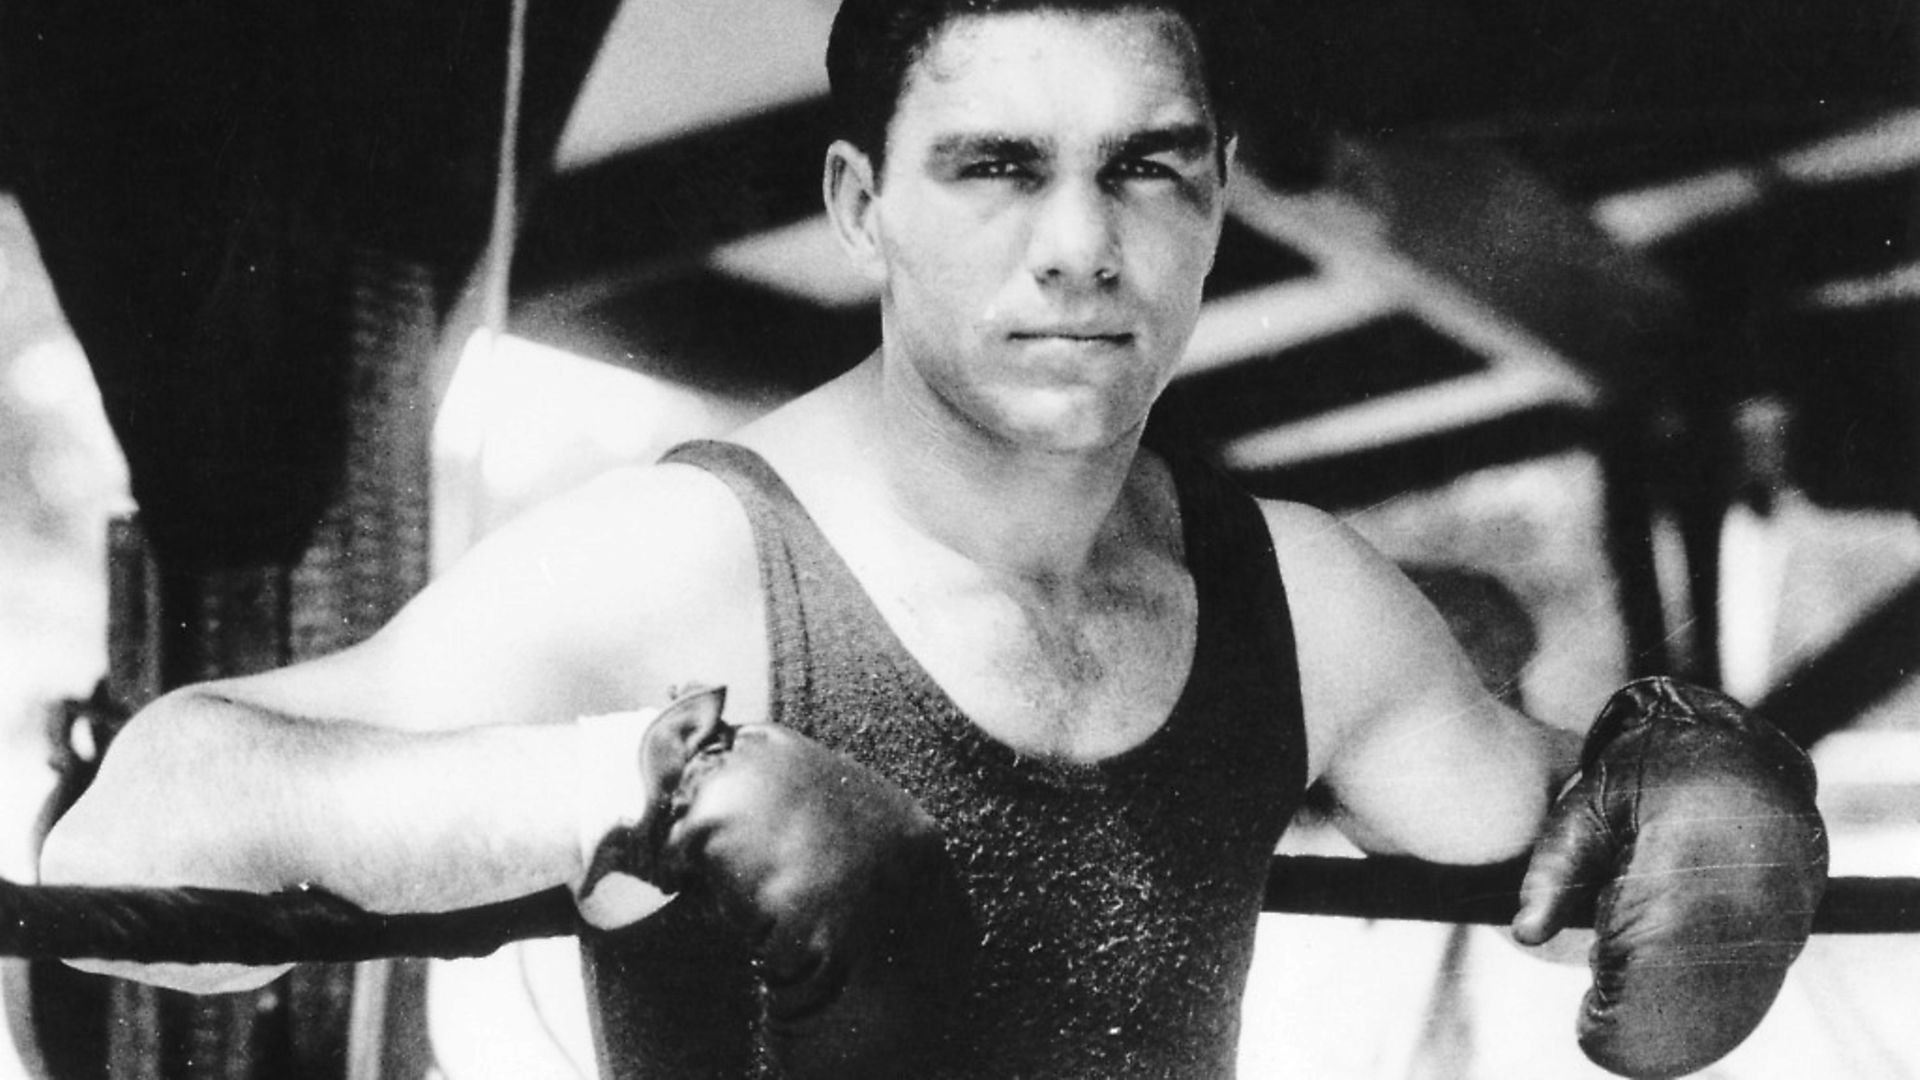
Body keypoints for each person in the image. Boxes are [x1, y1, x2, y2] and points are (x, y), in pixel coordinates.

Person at [39, 1, 1827, 1077]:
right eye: (994, 167)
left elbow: (1559, 819)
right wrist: (612, 785)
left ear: (1214, 203)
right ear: (862, 204)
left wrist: (1701, 785)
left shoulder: (1297, 598)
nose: (1080, 245)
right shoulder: (696, 567)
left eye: (1148, 166)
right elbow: (136, 843)